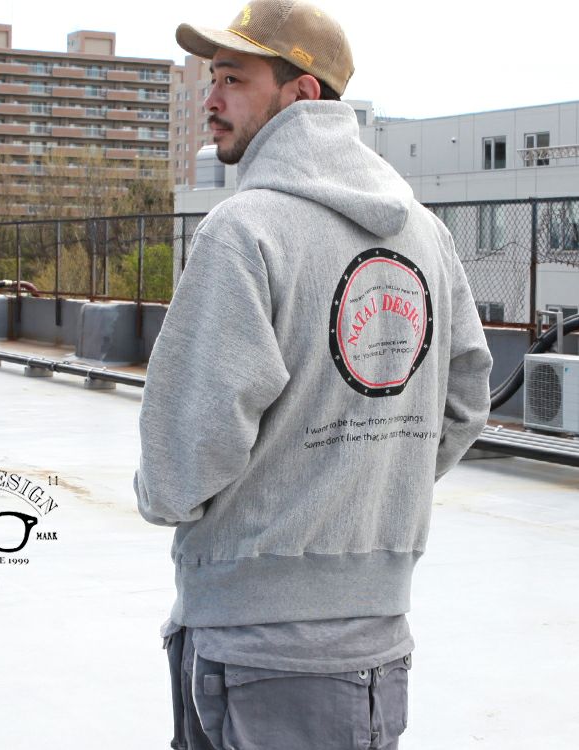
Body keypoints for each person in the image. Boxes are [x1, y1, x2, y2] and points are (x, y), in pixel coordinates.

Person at [134, 1, 493, 748]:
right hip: (376, 644)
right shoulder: (427, 234)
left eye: (233, 78)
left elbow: (179, 466)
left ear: (301, 94)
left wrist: (167, 494)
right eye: (211, 79)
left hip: (251, 647)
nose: (210, 99)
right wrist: (365, 488)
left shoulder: (245, 231)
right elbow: (465, 402)